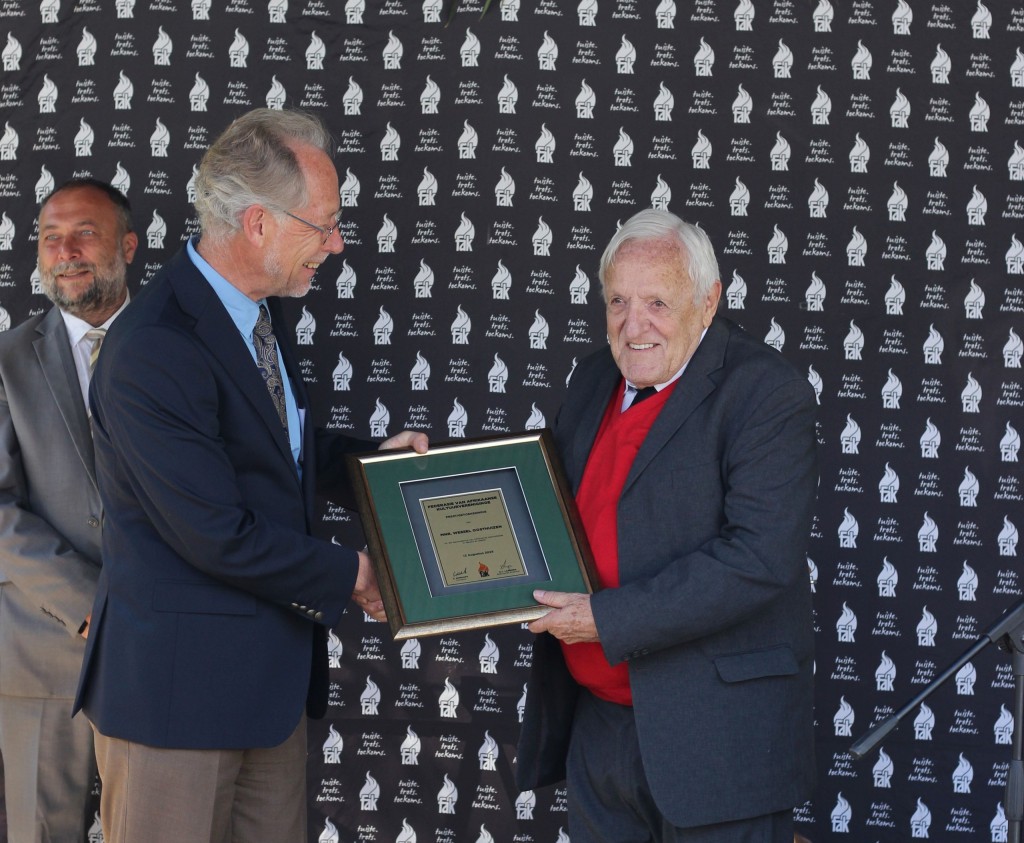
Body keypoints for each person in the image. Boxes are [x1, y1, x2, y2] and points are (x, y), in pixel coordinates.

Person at [73, 108, 427, 843]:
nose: (336, 243)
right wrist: (355, 573)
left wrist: (375, 468)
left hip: (265, 697)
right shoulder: (154, 348)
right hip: (176, 707)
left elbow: (277, 450)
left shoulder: (260, 315)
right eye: (323, 225)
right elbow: (214, 531)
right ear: (259, 223)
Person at [516, 208, 818, 843]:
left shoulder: (764, 392)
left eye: (657, 302)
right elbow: (542, 502)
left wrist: (605, 620)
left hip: (716, 739)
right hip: (599, 730)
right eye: (618, 301)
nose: (634, 325)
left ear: (707, 304)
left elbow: (759, 558)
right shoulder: (596, 375)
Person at [0, 178, 137, 842]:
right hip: (42, 646)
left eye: (84, 232)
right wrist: (89, 602)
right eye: (50, 238)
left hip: (157, 642)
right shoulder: (5, 362)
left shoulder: (184, 349)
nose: (66, 251)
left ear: (127, 245)